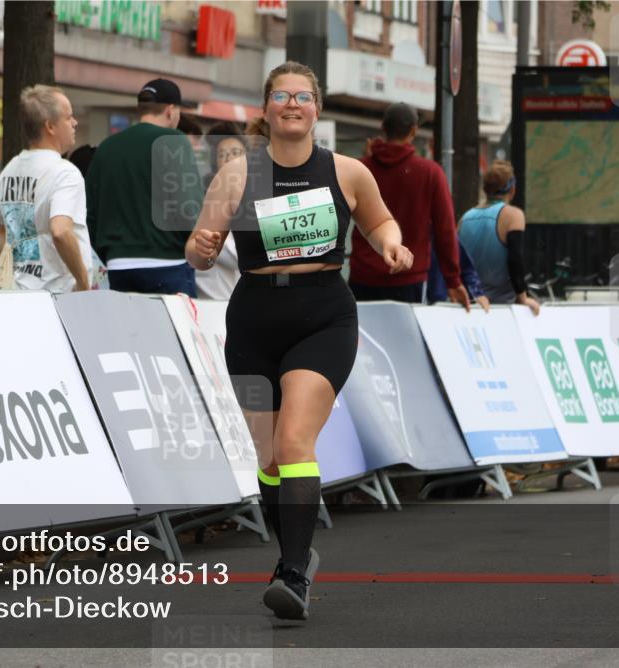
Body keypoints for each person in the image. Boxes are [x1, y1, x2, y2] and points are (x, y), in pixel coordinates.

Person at [186, 62, 413, 620]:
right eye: (282, 96)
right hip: (253, 319)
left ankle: (292, 575)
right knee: (267, 457)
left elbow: (380, 223)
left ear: (317, 108)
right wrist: (203, 248)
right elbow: (197, 248)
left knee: (293, 443)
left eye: (303, 96)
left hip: (323, 317)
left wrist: (391, 244)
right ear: (265, 108)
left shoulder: (347, 171)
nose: (293, 104)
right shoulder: (238, 174)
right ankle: (296, 553)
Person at [86, 78, 203, 296]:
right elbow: (189, 208)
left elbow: (90, 212)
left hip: (118, 265)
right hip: (169, 263)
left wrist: (111, 252)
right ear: (170, 111)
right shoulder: (174, 140)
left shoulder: (107, 147)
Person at [350, 103, 470, 310]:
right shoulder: (430, 172)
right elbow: (445, 230)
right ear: (413, 131)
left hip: (363, 277)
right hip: (409, 278)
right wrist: (453, 280)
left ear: (383, 127)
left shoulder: (360, 169)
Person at [0, 84, 92, 293]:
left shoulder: (10, 169)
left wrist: (20, 261)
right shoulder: (64, 172)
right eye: (68, 117)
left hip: (19, 292)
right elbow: (61, 231)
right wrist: (83, 283)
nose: (75, 123)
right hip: (59, 295)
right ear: (50, 126)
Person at [458, 160, 540, 315]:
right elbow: (515, 259)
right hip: (502, 308)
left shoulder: (465, 218)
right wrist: (523, 297)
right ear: (512, 189)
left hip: (471, 305)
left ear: (485, 189)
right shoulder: (513, 215)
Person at [195, 122, 245, 300]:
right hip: (210, 293)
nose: (229, 158)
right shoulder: (204, 194)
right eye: (222, 155)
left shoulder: (258, 193)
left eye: (235, 152)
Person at [427, 239, 490, 310]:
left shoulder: (444, 237)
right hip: (422, 302)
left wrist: (477, 293)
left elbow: (467, 268)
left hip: (442, 304)